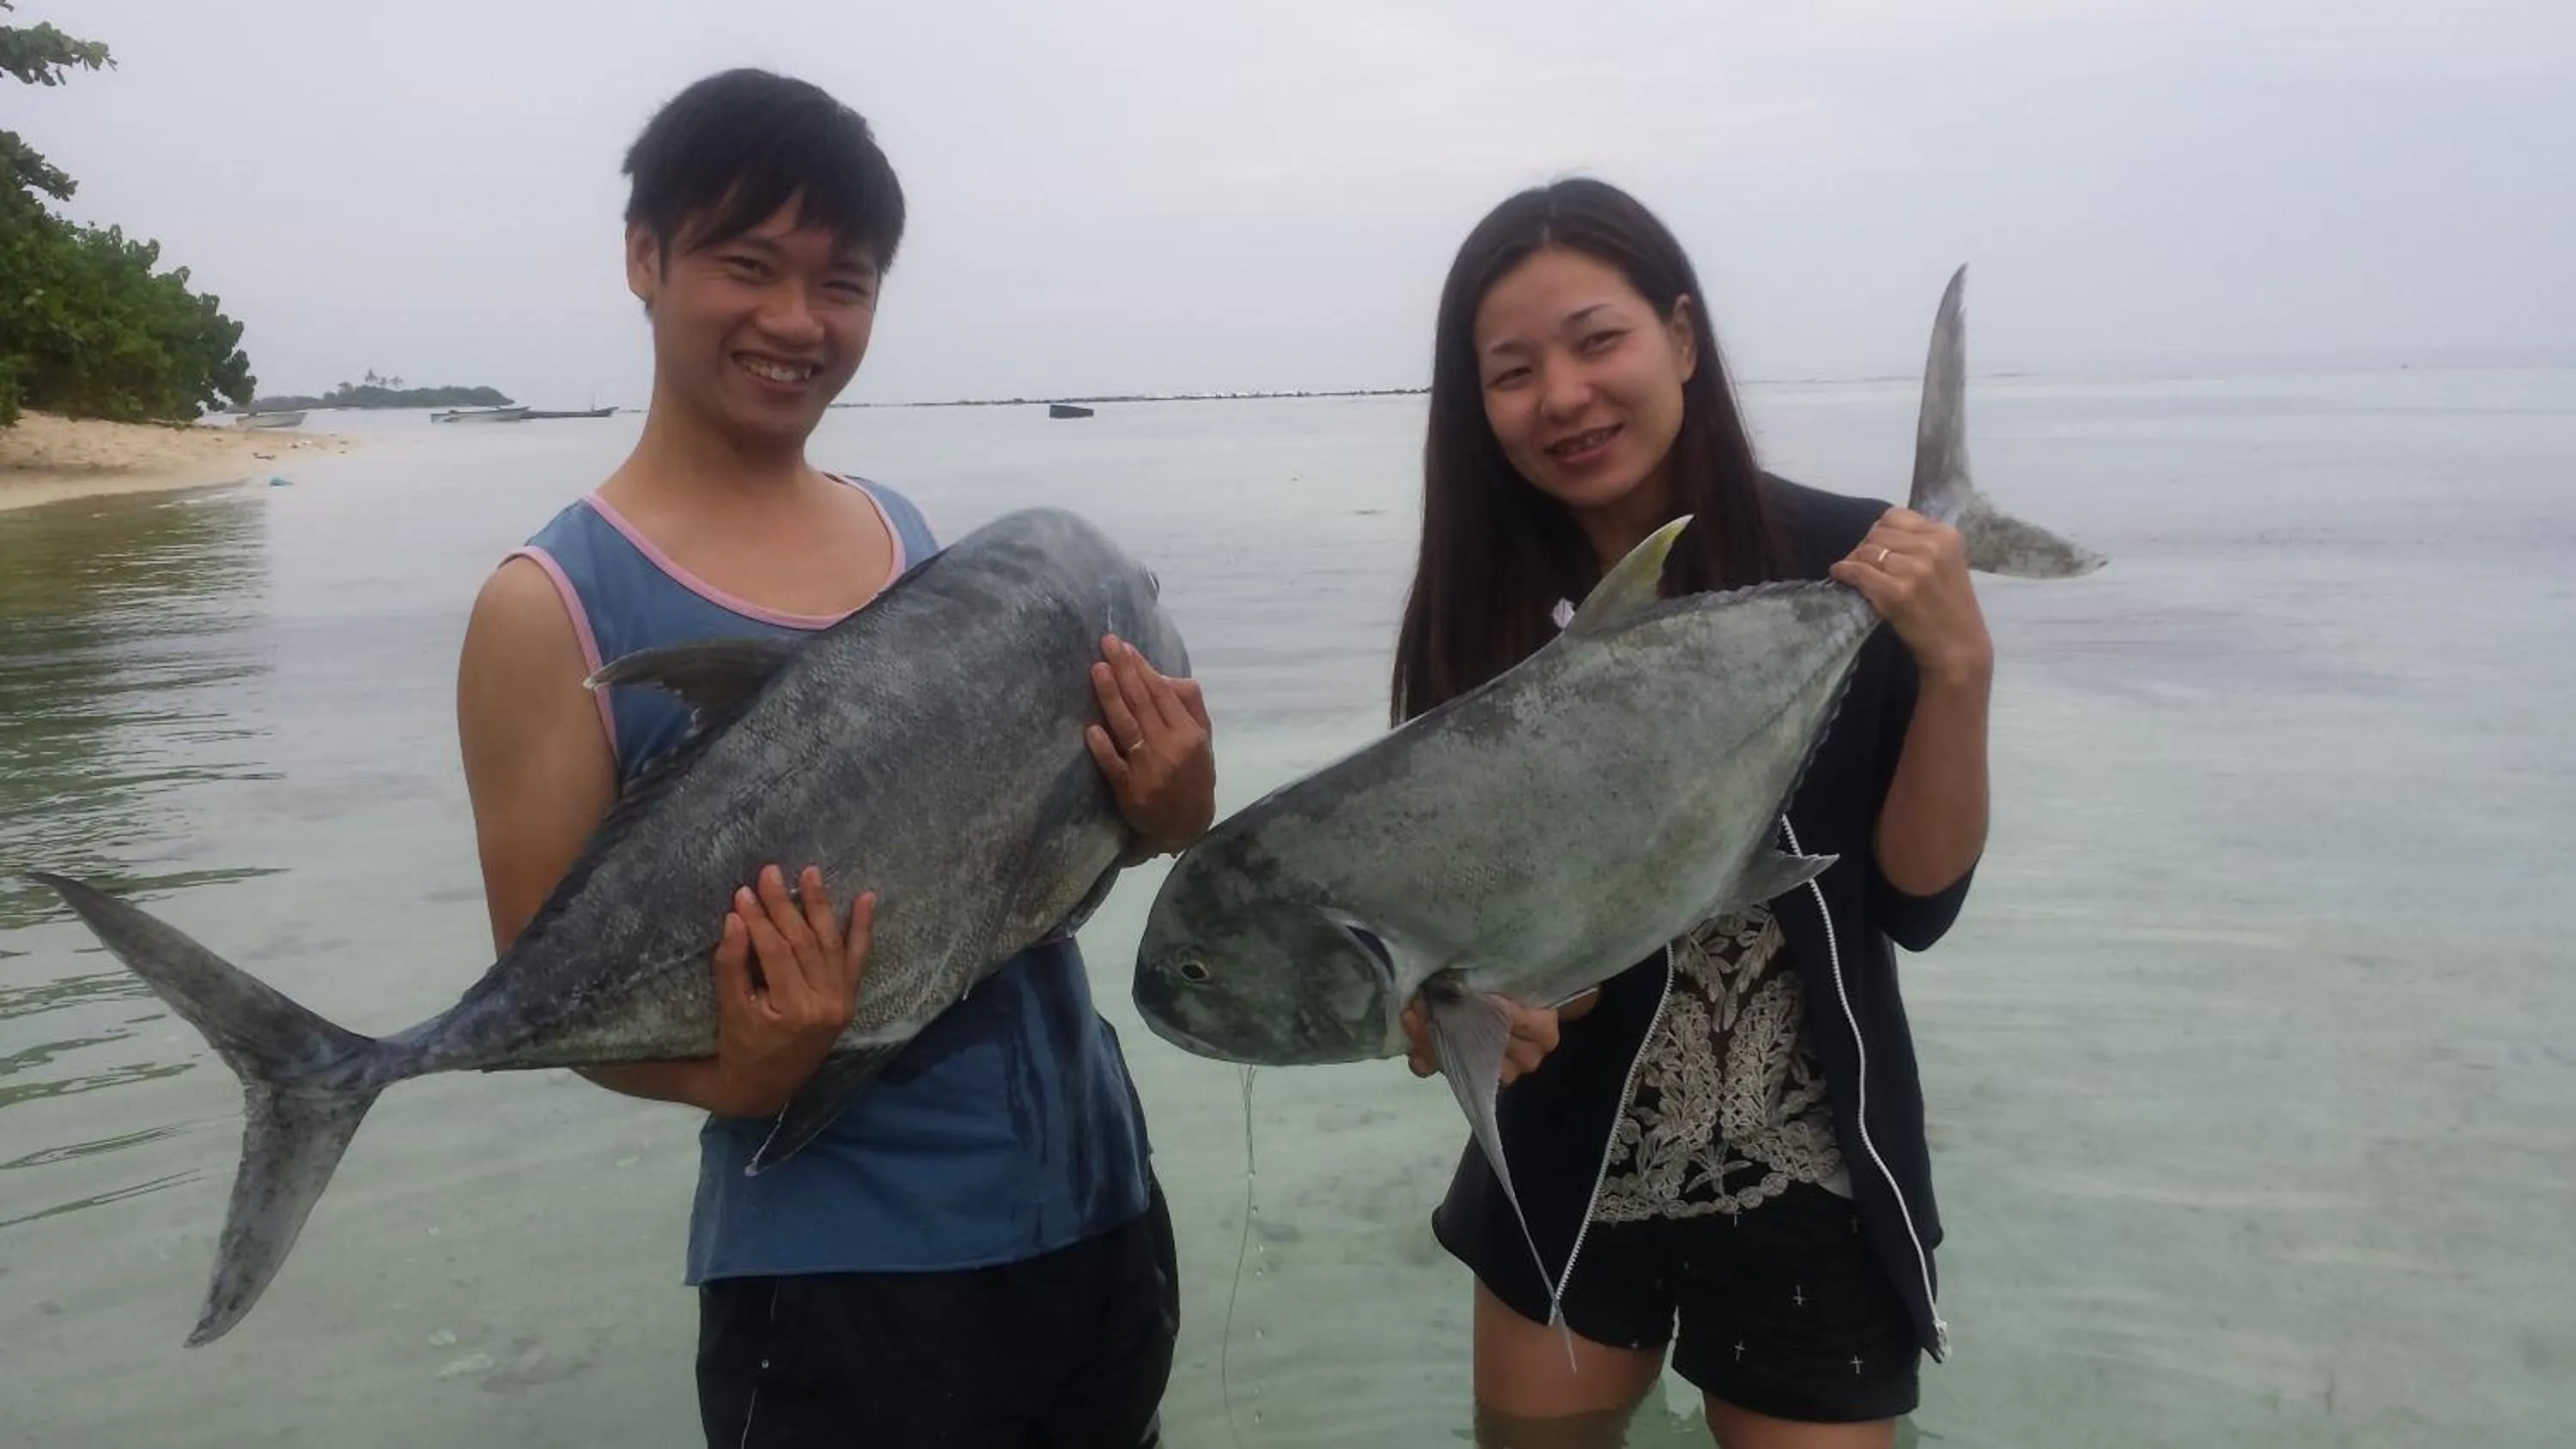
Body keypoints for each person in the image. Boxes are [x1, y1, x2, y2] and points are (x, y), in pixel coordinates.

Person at [453, 68, 1212, 1448]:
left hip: (1095, 1213)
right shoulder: (546, 607)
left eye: (843, 284)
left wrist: (1164, 814)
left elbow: (999, 869)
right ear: (645, 256)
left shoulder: (898, 529)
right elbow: (534, 1003)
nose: (797, 322)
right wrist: (735, 1079)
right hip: (839, 1279)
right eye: (751, 267)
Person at [1393, 178, 1990, 1448]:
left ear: (1680, 334)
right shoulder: (1473, 616)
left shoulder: (1850, 568)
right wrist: (1457, 1015)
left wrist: (1959, 668)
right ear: (1476, 403)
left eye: (1597, 340)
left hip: (1810, 1175)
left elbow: (1917, 905)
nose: (1562, 395)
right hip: (1565, 1178)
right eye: (1511, 370)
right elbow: (1452, 931)